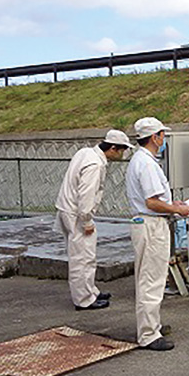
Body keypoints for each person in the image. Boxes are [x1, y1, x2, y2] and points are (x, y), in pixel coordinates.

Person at [125, 117, 189, 351]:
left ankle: (152, 325)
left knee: (150, 278)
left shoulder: (142, 160)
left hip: (148, 223)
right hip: (151, 224)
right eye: (162, 135)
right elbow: (152, 202)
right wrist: (177, 209)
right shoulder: (146, 163)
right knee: (151, 280)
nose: (164, 139)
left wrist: (173, 203)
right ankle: (148, 334)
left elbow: (155, 200)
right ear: (154, 137)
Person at [55, 130, 133, 311]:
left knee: (82, 256)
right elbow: (86, 195)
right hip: (76, 214)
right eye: (121, 150)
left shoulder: (85, 152)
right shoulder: (95, 165)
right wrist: (87, 220)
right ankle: (83, 299)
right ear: (113, 148)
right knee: (83, 258)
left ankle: (90, 291)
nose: (122, 155)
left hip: (66, 208)